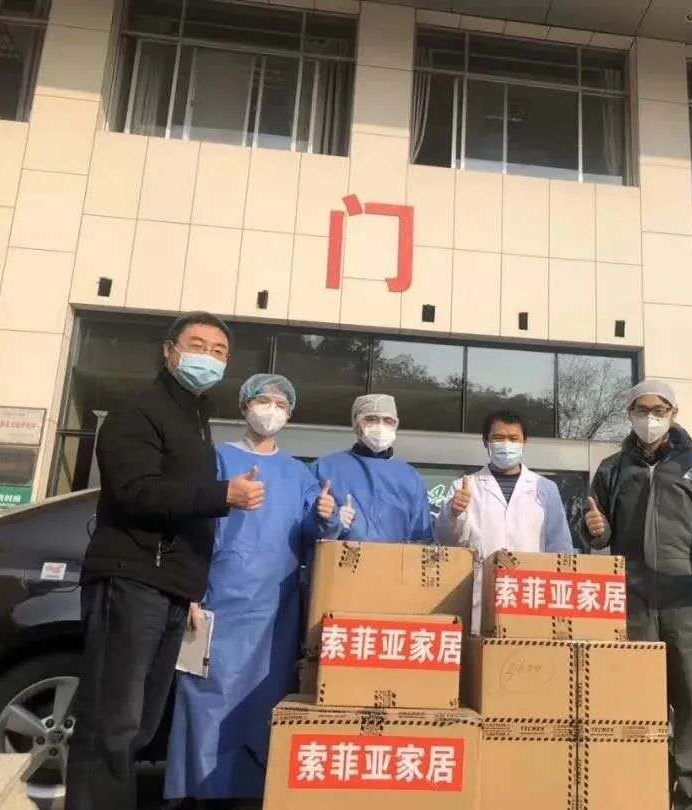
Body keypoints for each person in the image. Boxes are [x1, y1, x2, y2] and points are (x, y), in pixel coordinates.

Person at [67, 313, 265, 810]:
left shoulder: (194, 420)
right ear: (169, 350)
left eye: (219, 352)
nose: (208, 358)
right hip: (132, 578)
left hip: (171, 585)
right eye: (197, 345)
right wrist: (222, 494)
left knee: (141, 722)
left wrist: (191, 589)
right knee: (112, 720)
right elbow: (136, 491)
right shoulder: (139, 412)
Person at [164, 374, 324, 809]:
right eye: (263, 400)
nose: (271, 409)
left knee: (262, 702)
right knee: (206, 697)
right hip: (217, 599)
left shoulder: (298, 474)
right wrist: (189, 588)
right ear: (244, 406)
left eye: (280, 403)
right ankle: (198, 790)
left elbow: (312, 531)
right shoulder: (216, 459)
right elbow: (191, 526)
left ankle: (253, 791)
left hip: (275, 609)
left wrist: (328, 515)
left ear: (290, 414)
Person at [582, 380, 692, 810]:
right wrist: (595, 531)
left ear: (673, 413)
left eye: (658, 409)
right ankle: (641, 791)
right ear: (629, 414)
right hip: (632, 602)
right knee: (634, 699)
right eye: (641, 409)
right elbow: (596, 531)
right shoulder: (612, 469)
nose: (649, 418)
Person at [433, 409, 574, 631]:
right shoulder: (464, 487)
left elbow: (560, 548)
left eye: (513, 438)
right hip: (479, 597)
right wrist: (453, 513)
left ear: (525, 442)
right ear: (486, 442)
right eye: (498, 438)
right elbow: (445, 542)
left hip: (531, 595)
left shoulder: (546, 489)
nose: (506, 444)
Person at [309, 394, 432, 542]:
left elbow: (422, 540)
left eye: (388, 421)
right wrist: (329, 521)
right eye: (371, 419)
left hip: (397, 557)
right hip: (344, 556)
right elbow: (302, 532)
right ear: (356, 423)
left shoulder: (411, 478)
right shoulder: (324, 469)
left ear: (396, 425)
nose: (380, 426)